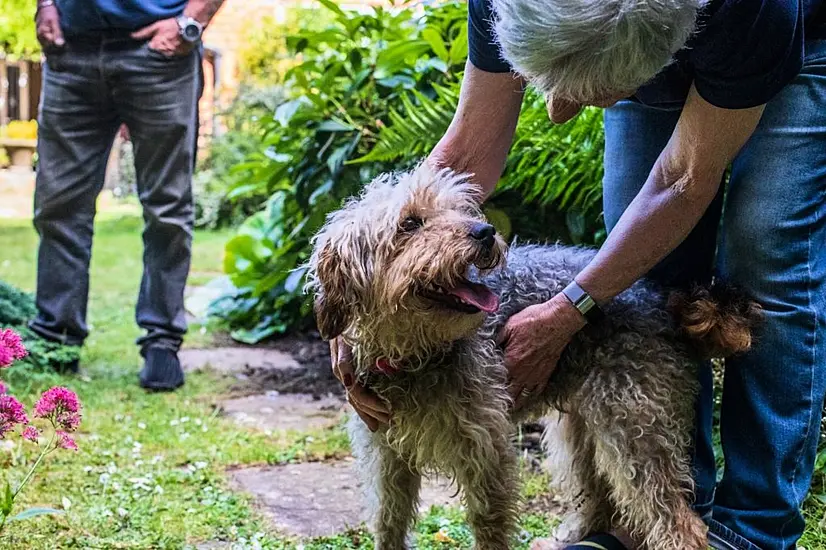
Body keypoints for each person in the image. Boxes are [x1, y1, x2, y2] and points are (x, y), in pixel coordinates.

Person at [329, 0, 826, 549]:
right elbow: (469, 149)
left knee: (768, 261)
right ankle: (641, 525)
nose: (559, 114)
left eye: (578, 93)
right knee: (647, 270)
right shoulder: (506, 6)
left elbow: (683, 179)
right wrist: (352, 311)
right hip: (638, 43)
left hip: (796, 46)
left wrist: (571, 308)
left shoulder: (753, 13)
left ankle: (752, 529)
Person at [29, 0, 224, 390]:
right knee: (58, 205)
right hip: (71, 47)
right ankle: (56, 341)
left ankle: (161, 343)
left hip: (160, 53)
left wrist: (191, 19)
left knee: (166, 208)